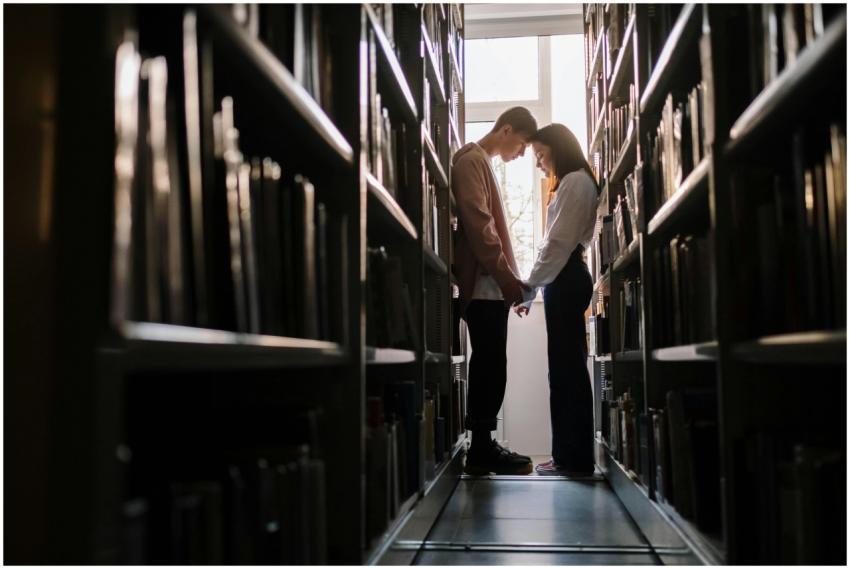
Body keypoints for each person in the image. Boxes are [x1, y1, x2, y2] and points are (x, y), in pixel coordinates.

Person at [452, 106, 538, 475]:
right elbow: (481, 228)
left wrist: (508, 283)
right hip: (484, 288)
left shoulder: (480, 163)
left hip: (491, 288)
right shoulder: (472, 161)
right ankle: (482, 449)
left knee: (491, 364)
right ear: (506, 130)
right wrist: (508, 281)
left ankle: (483, 445)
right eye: (522, 144)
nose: (521, 153)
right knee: (489, 365)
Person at [516, 123, 600, 476]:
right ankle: (567, 455)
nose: (538, 162)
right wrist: (534, 287)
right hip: (563, 278)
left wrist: (528, 287)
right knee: (565, 369)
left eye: (540, 153)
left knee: (567, 371)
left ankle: (572, 458)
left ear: (557, 148)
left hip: (565, 279)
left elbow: (556, 245)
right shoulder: (573, 181)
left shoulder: (575, 182)